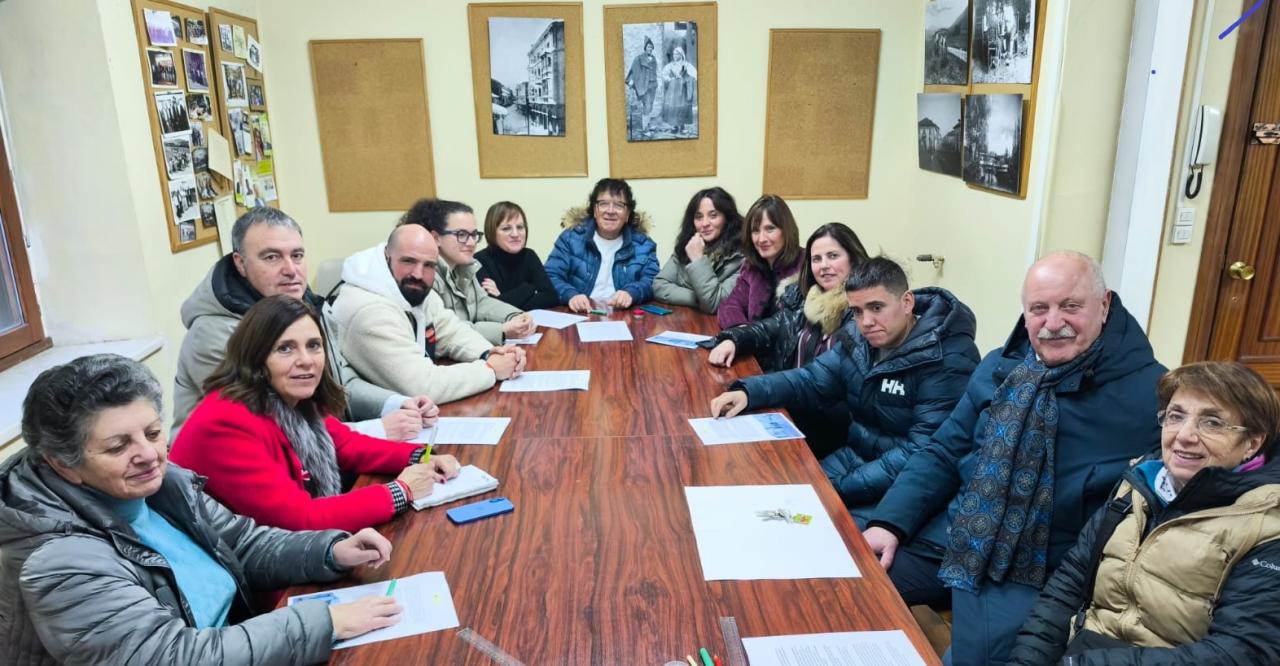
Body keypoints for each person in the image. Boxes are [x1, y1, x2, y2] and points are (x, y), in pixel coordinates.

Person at [860, 251, 1166, 665]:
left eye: (1070, 306)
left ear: (1105, 305)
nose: (1053, 323)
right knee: (846, 583)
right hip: (956, 533)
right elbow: (944, 449)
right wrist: (889, 521)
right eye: (1039, 309)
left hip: (1035, 566)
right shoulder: (999, 368)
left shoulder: (1152, 393)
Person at [0, 354, 404, 664]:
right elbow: (173, 657)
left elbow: (242, 544)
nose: (148, 454)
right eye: (118, 446)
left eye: (154, 433)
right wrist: (327, 621)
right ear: (62, 464)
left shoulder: (160, 483)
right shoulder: (58, 560)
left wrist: (328, 550)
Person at [1009, 361, 1280, 664]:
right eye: (1176, 416)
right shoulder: (1137, 484)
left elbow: (1242, 653)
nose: (1184, 435)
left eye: (1212, 422)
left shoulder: (1268, 525)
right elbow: (1068, 584)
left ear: (1252, 443)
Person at [170, 295, 461, 532]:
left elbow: (344, 444)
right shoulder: (226, 422)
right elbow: (300, 519)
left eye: (314, 346)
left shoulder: (288, 395)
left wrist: (423, 457)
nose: (306, 361)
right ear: (255, 357)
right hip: (247, 580)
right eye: (285, 349)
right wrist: (401, 490)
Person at [710, 256, 979, 509]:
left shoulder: (947, 357)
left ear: (907, 302)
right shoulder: (860, 339)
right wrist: (749, 391)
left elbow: (922, 454)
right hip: (853, 459)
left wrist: (835, 487)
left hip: (904, 491)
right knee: (772, 498)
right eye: (857, 311)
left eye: (876, 308)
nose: (866, 322)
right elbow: (812, 380)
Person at [173, 207, 436, 441]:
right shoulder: (214, 334)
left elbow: (339, 384)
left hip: (325, 457)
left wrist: (397, 404)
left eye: (297, 255)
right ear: (240, 264)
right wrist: (378, 430)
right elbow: (275, 431)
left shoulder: (308, 307)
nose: (291, 269)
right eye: (272, 257)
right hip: (228, 485)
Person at [707, 223, 869, 457]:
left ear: (853, 258)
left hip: (828, 430)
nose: (824, 266)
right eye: (816, 259)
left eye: (833, 256)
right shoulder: (808, 299)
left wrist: (753, 392)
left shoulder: (862, 314)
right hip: (790, 408)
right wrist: (734, 340)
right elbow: (770, 327)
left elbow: (815, 380)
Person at [329, 223, 526, 405]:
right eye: (408, 261)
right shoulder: (369, 311)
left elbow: (450, 331)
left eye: (428, 265)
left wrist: (491, 352)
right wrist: (490, 369)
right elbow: (422, 386)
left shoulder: (410, 289)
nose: (418, 273)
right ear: (386, 256)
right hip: (374, 426)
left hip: (412, 415)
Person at [400, 198, 535, 345]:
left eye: (474, 235)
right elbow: (443, 330)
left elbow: (482, 302)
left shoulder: (463, 266)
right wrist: (501, 330)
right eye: (462, 235)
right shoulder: (423, 276)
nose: (471, 243)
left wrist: (515, 316)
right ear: (436, 238)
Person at [545, 178, 660, 313]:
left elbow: (653, 280)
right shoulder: (570, 238)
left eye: (619, 205)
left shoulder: (643, 245)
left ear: (628, 213)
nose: (610, 211)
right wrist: (570, 295)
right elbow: (550, 275)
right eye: (604, 204)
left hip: (624, 315)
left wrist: (632, 292)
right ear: (594, 210)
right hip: (580, 313)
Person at [716, 194, 804, 329]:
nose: (761, 239)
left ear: (786, 230)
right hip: (755, 346)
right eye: (755, 231)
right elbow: (730, 305)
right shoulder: (752, 267)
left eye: (770, 229)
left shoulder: (805, 265)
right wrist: (742, 331)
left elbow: (793, 326)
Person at [653, 187, 745, 314]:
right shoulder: (688, 245)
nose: (705, 223)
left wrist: (698, 260)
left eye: (713, 216)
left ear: (727, 218)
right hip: (684, 321)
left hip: (719, 327)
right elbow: (659, 285)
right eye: (699, 217)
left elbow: (714, 304)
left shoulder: (742, 255)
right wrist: (698, 298)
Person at [474, 201, 558, 311]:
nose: (515, 234)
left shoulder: (529, 256)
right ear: (492, 232)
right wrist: (528, 289)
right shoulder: (479, 261)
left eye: (520, 227)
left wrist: (501, 297)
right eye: (506, 228)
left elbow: (551, 297)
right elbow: (491, 309)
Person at [659, 46, 697, 136]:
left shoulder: (686, 65)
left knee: (682, 106)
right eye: (674, 54)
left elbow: (694, 75)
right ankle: (674, 126)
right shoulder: (671, 65)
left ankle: (682, 126)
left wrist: (687, 79)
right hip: (672, 90)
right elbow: (663, 74)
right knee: (673, 106)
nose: (674, 55)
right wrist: (669, 79)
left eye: (676, 54)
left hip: (683, 89)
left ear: (681, 54)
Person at [626, 36, 659, 137]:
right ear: (645, 48)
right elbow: (633, 70)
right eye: (648, 47)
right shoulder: (639, 58)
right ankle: (645, 129)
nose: (650, 49)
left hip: (653, 85)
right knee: (647, 106)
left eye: (651, 47)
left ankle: (647, 124)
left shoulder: (653, 58)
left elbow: (656, 72)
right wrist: (630, 81)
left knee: (650, 106)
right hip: (644, 86)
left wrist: (658, 82)